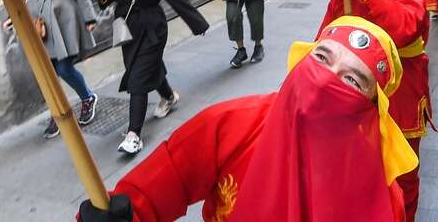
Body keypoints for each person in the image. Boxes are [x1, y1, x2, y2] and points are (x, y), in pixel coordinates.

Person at [76, 17, 418, 222]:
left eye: (351, 80)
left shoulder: (383, 200)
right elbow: (157, 187)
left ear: (371, 108)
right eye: (322, 58)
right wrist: (118, 215)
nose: (326, 79)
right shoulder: (231, 123)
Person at [326, 0, 432, 222]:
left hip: (403, 97)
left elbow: (404, 27)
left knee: (403, 172)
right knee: (360, 168)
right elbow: (324, 43)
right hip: (355, 97)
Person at [98, 0, 209, 156]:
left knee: (138, 78)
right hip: (127, 29)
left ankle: (133, 135)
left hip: (152, 28)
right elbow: (106, 1)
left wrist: (198, 23)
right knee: (146, 68)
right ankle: (169, 96)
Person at [12, 0, 100, 139]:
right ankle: (58, 111)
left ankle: (87, 97)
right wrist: (12, 17)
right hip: (38, 23)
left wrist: (89, 17)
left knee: (63, 68)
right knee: (47, 72)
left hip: (64, 19)